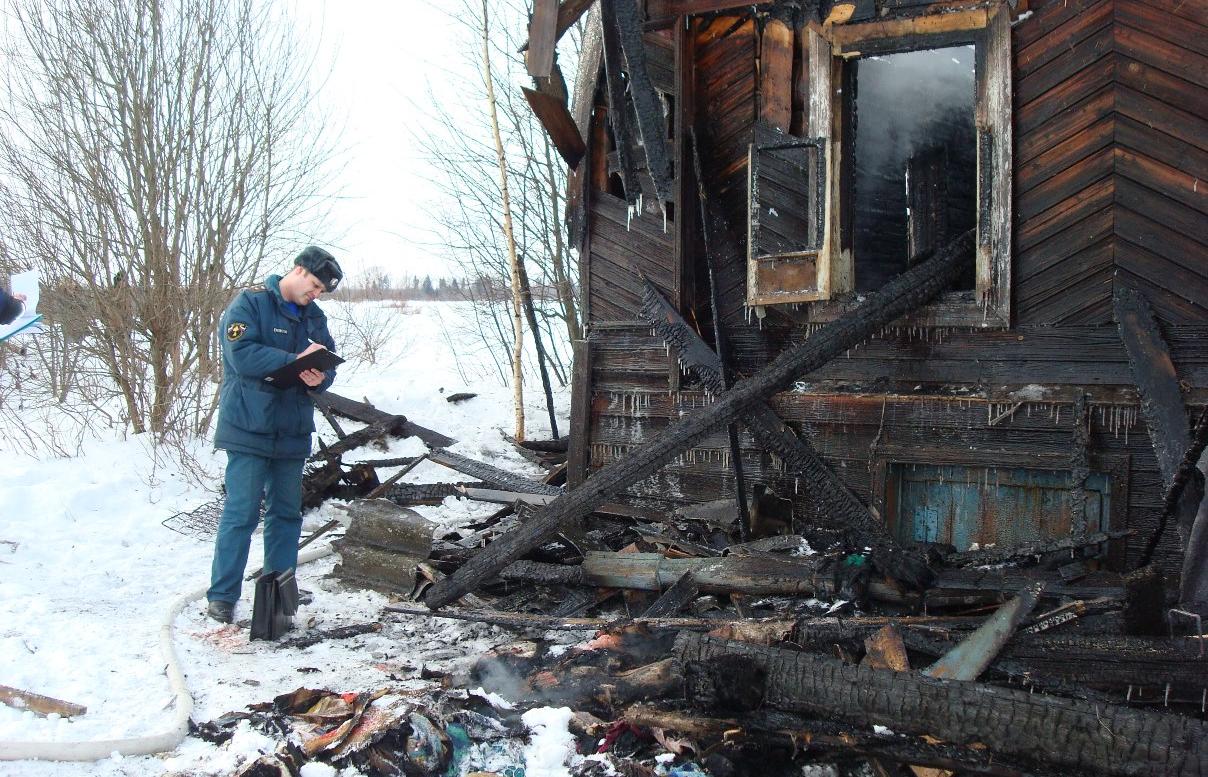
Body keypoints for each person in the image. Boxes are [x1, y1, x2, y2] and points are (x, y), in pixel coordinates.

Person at [206, 246, 343, 624]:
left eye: (320, 291)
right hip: (249, 426)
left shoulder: (314, 318)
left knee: (286, 514)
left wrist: (321, 376)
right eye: (313, 285)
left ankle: (280, 594)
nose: (314, 294)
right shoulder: (250, 304)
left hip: (292, 429)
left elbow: (327, 362)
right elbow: (242, 355)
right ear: (298, 270)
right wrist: (294, 362)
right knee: (242, 512)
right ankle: (222, 596)